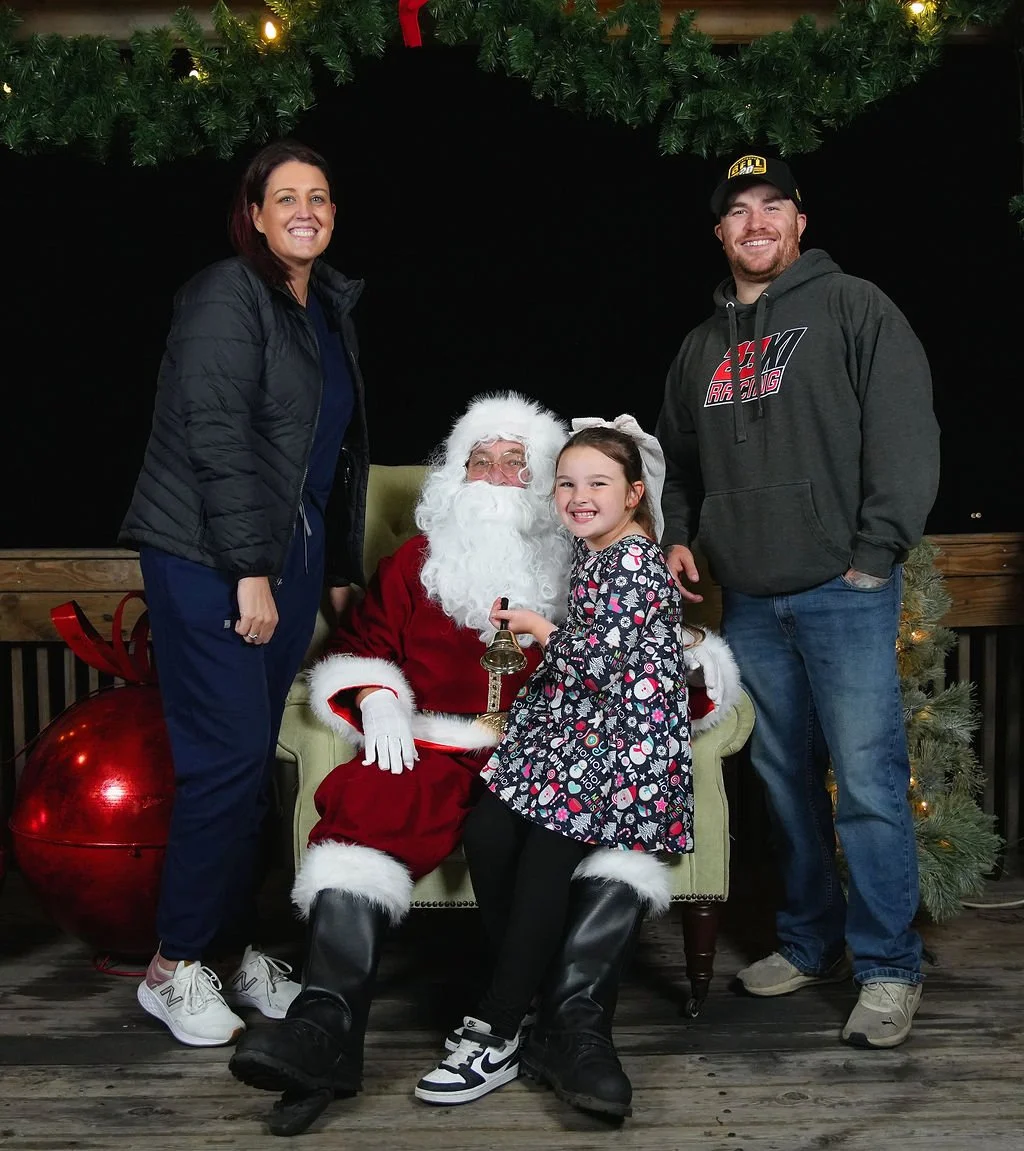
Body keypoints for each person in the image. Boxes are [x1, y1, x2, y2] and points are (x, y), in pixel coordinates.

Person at [228, 394, 732, 1135]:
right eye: (479, 460)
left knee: (614, 838)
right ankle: (323, 1028)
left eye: (514, 462)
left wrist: (693, 672)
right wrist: (376, 699)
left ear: (544, 484)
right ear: (455, 476)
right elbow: (358, 646)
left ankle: (573, 1025)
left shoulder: (583, 554)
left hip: (558, 752)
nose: (495, 476)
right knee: (365, 802)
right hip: (438, 744)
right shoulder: (414, 563)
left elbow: (653, 646)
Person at [656, 153, 940, 1049]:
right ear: (720, 232)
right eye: (738, 211)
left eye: (772, 205)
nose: (756, 222)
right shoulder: (700, 349)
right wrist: (678, 533)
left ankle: (889, 968)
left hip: (843, 592)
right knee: (781, 785)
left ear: (799, 221)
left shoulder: (856, 306)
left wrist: (872, 552)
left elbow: (904, 433)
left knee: (865, 783)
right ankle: (810, 943)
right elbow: (674, 462)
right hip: (749, 602)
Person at [119, 138, 370, 1047]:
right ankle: (172, 964)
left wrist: (333, 568)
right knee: (223, 763)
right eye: (286, 196)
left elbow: (329, 460)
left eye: (321, 195)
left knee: (247, 767)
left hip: (285, 559)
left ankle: (228, 950)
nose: (306, 208)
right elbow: (214, 434)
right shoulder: (226, 293)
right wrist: (248, 568)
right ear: (255, 215)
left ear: (332, 215)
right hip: (210, 556)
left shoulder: (323, 308)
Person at [414, 416, 731, 1111]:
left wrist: (536, 625)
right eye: (566, 482)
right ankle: (530, 994)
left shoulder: (635, 561)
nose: (579, 495)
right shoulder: (595, 553)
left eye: (598, 483)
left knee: (542, 856)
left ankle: (496, 1028)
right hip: (573, 733)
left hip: (621, 752)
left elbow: (603, 664)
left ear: (635, 494)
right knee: (489, 828)